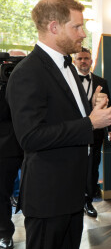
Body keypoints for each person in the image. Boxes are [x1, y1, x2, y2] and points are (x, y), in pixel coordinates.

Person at [6, 0, 111, 249]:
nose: (82, 34)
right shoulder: (27, 72)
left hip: (71, 192)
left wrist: (89, 109)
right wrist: (90, 123)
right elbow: (30, 137)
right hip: (49, 197)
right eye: (77, 27)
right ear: (54, 27)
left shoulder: (67, 66)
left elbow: (62, 114)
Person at [74, 47, 111, 218]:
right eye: (80, 58)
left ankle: (88, 201)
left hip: (96, 133)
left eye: (86, 58)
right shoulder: (69, 81)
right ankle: (75, 200)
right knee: (76, 166)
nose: (83, 61)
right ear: (75, 61)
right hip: (75, 133)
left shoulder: (101, 81)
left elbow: (109, 105)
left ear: (91, 61)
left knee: (92, 168)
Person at [0, 50, 26, 249]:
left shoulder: (28, 77)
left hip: (28, 144)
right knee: (2, 193)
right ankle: (4, 232)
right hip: (5, 147)